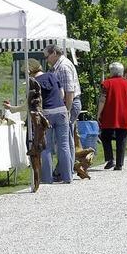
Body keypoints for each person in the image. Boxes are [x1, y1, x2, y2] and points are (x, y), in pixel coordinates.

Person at [5, 59, 72, 184]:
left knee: (46, 147)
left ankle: (47, 179)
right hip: (62, 111)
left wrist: (12, 109)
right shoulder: (52, 75)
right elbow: (62, 94)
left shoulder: (33, 83)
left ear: (29, 70)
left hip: (46, 115)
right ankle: (67, 177)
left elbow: (28, 105)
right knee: (64, 146)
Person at [43, 44, 81, 175]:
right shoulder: (58, 66)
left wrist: (67, 110)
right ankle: (64, 170)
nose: (46, 59)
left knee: (67, 140)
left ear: (54, 53)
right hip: (65, 104)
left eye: (47, 56)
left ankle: (67, 170)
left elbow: (69, 91)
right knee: (66, 139)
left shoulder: (63, 67)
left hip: (69, 104)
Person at [97, 62, 127, 170]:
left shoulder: (107, 83)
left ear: (111, 71)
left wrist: (99, 113)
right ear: (121, 72)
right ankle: (119, 164)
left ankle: (110, 159)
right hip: (124, 115)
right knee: (121, 139)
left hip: (109, 114)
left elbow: (102, 100)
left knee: (105, 136)